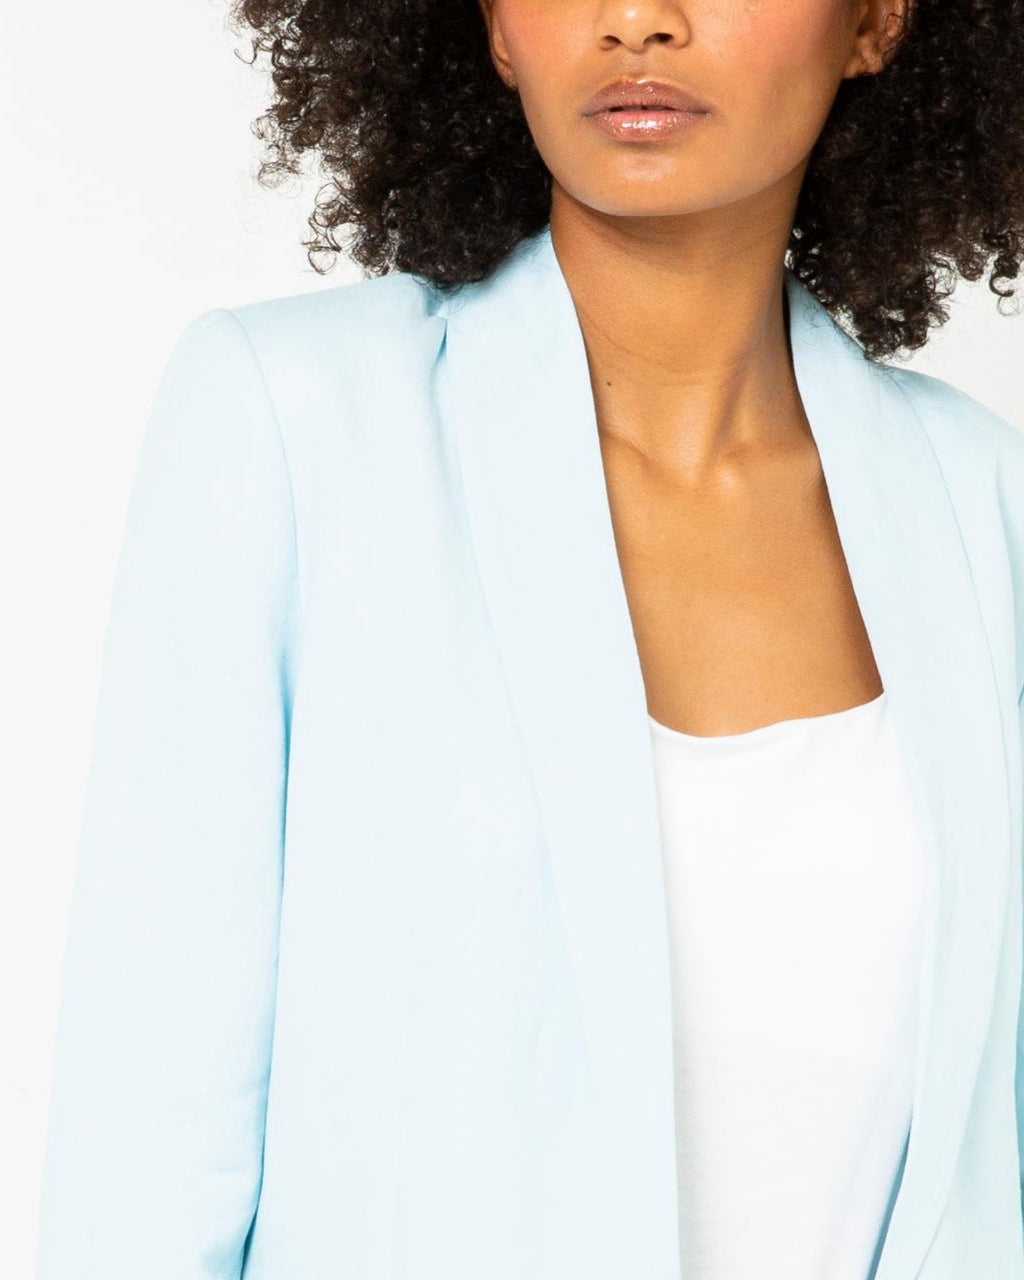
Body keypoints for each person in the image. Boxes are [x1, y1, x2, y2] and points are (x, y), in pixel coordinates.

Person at [35, 2, 1024, 1278]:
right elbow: (148, 1146)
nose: (636, 20)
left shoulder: (980, 506)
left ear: (879, 20)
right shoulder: (298, 427)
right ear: (496, 27)